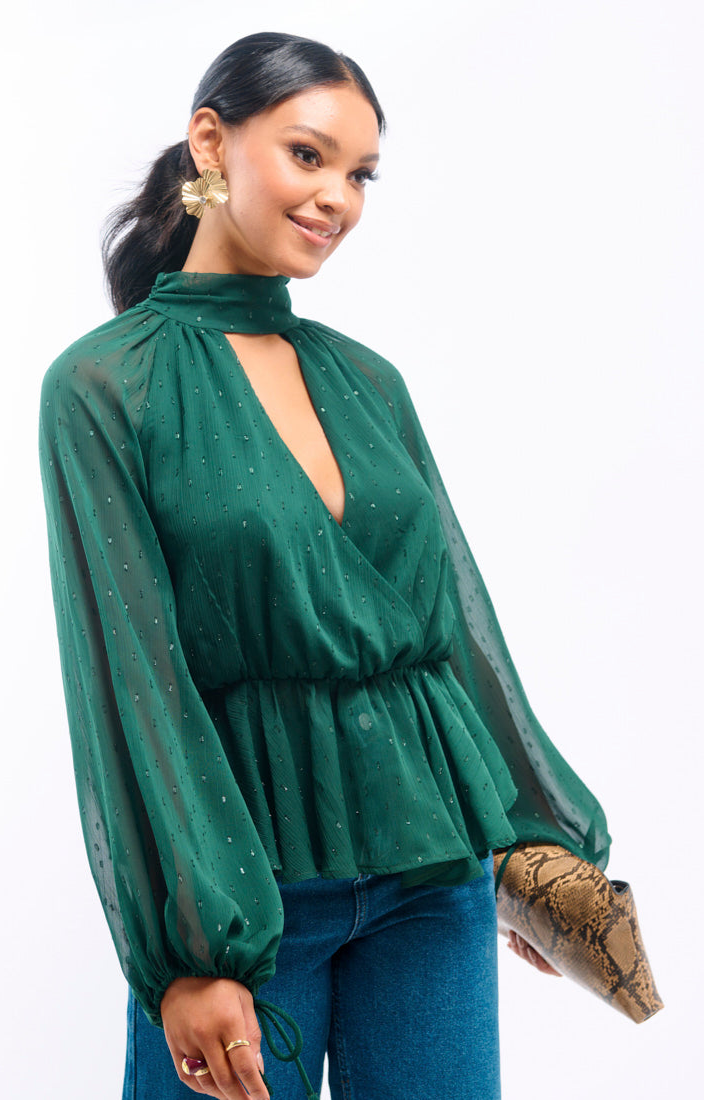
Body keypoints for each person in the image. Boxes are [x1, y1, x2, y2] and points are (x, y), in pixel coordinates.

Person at [39, 32, 609, 1100]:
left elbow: (456, 634)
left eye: (361, 174)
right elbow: (131, 683)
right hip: (250, 899)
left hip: (435, 874)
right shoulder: (103, 386)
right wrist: (195, 949)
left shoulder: (368, 381)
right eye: (310, 155)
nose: (338, 198)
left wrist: (542, 836)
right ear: (212, 139)